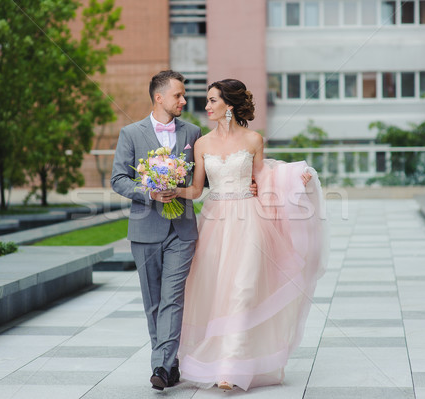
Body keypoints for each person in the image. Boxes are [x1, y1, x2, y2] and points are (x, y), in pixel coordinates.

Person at [174, 79, 328, 391]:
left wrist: (297, 179)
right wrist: (171, 188)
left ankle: (231, 368)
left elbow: (265, 179)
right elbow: (195, 189)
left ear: (228, 105)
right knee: (216, 291)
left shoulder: (254, 139)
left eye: (212, 101)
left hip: (249, 220)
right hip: (215, 221)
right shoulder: (202, 144)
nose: (206, 107)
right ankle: (215, 360)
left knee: (243, 290)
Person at [110, 70, 201, 391]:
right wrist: (148, 191)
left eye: (184, 95)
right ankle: (169, 362)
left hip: (182, 230)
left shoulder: (193, 132)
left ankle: (160, 366)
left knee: (172, 298)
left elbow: (202, 178)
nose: (184, 100)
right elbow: (118, 179)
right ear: (159, 97)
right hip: (145, 229)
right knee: (153, 302)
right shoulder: (130, 133)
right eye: (178, 95)